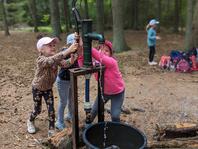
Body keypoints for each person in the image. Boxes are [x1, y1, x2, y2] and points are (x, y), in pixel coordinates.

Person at [27, 36, 78, 137]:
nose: (53, 47)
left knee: (51, 110)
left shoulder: (55, 59)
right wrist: (67, 51)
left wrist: (71, 61)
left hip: (48, 89)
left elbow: (64, 64)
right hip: (37, 88)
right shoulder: (41, 60)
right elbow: (51, 60)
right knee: (38, 109)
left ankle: (51, 129)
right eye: (50, 45)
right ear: (41, 49)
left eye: (54, 45)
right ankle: (30, 120)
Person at [78, 40, 125, 122]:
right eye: (101, 49)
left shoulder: (112, 62)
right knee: (93, 111)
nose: (103, 52)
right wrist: (81, 55)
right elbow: (83, 66)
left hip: (117, 93)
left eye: (106, 51)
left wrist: (87, 45)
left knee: (115, 115)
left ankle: (116, 130)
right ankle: (86, 127)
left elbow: (101, 57)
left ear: (111, 54)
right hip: (104, 93)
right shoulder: (97, 65)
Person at [55, 33, 79, 130]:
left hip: (72, 79)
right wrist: (72, 58)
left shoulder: (77, 51)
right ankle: (59, 122)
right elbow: (64, 65)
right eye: (74, 44)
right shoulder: (64, 52)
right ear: (69, 44)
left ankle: (69, 115)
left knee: (71, 100)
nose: (75, 46)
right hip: (63, 81)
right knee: (63, 101)